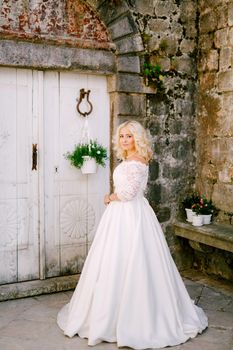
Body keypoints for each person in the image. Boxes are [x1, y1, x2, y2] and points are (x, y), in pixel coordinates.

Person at [57, 120, 208, 349]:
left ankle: (133, 319)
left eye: (129, 136)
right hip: (124, 215)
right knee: (113, 262)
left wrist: (109, 198)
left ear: (137, 138)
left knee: (131, 260)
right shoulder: (131, 159)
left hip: (129, 215)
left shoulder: (136, 161)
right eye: (122, 136)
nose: (124, 140)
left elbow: (127, 194)